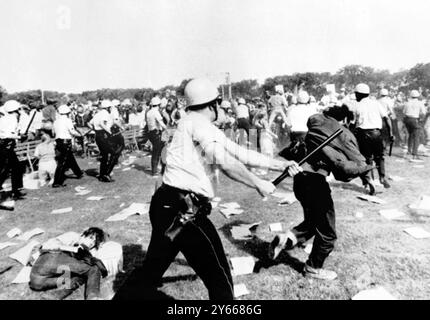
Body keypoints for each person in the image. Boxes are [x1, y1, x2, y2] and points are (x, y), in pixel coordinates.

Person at [113, 78, 302, 300]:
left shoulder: (192, 123)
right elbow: (224, 161)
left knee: (150, 273)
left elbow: (240, 153)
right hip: (184, 212)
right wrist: (258, 183)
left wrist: (280, 165)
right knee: (220, 280)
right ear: (213, 104)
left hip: (166, 205)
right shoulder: (200, 125)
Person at [29, 227, 108, 300]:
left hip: (38, 283)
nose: (91, 243)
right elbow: (47, 245)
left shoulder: (85, 250)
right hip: (46, 263)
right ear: (83, 235)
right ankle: (93, 297)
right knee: (92, 269)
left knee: (81, 276)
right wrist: (73, 249)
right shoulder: (73, 236)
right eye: (91, 238)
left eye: (94, 242)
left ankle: (53, 296)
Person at [352, 83, 392, 188]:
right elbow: (386, 118)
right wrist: (391, 133)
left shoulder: (357, 105)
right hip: (376, 134)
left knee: (367, 159)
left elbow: (352, 123)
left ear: (360, 94)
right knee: (379, 157)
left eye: (356, 94)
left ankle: (370, 180)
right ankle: (382, 177)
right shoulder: (376, 103)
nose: (355, 96)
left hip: (363, 134)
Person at [89, 100, 122, 182]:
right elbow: (102, 123)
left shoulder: (97, 114)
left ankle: (102, 174)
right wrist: (109, 131)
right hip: (104, 135)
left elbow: (89, 123)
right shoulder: (105, 114)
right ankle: (106, 174)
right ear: (108, 108)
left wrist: (95, 130)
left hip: (98, 135)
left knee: (104, 156)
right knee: (115, 153)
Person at [51, 105, 84, 188]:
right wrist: (80, 134)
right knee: (62, 162)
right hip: (65, 142)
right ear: (68, 113)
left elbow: (53, 132)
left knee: (70, 158)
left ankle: (78, 173)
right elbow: (72, 132)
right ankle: (56, 182)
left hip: (58, 141)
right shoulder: (67, 120)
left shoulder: (56, 121)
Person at [0, 100, 26, 200]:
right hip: (6, 146)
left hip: (4, 146)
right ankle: (16, 191)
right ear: (16, 110)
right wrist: (19, 137)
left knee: (15, 168)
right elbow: (8, 135)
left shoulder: (3, 119)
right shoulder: (12, 119)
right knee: (5, 170)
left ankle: (16, 191)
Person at [403, 90, 427, 162]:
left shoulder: (407, 103)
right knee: (416, 136)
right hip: (414, 119)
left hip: (407, 119)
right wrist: (420, 118)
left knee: (410, 135)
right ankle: (414, 154)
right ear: (418, 96)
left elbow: (404, 112)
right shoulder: (420, 103)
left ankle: (409, 150)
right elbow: (423, 112)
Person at [146, 96, 167, 176]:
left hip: (151, 133)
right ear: (158, 105)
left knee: (155, 152)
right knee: (158, 152)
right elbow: (161, 124)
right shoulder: (156, 112)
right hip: (156, 133)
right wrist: (167, 128)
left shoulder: (148, 112)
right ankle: (155, 171)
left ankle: (154, 170)